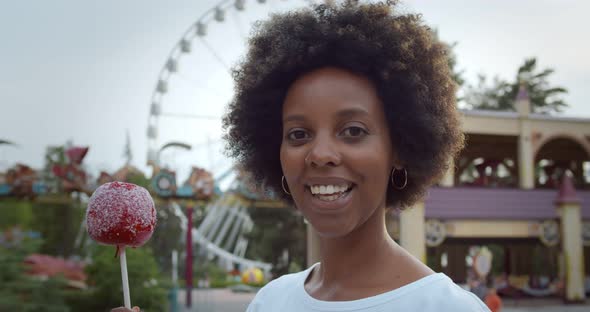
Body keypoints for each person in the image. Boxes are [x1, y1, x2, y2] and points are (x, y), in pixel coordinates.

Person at [113, 0, 489, 311]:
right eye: (298, 134)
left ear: (401, 149)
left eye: (353, 131)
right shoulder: (270, 303)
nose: (320, 154)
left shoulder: (447, 306)